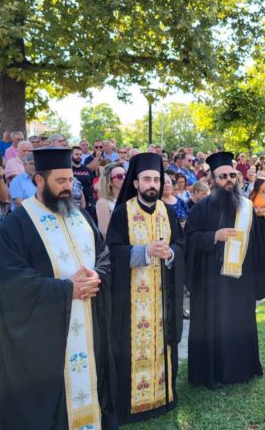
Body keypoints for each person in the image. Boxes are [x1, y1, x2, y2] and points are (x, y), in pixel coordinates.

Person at [0, 147, 118, 429]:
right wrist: (65, 290)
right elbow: (12, 281)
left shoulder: (81, 215)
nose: (68, 187)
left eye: (70, 180)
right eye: (60, 181)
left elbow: (103, 255)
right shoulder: (17, 224)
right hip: (47, 336)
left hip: (88, 323)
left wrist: (97, 276)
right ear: (39, 180)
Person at [106, 152, 186, 424]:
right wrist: (144, 252)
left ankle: (164, 398)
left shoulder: (168, 211)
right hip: (131, 302)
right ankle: (132, 406)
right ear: (136, 183)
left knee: (164, 346)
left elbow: (181, 245)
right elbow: (112, 253)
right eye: (147, 179)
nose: (152, 184)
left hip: (164, 299)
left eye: (156, 179)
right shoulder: (123, 212)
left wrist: (171, 253)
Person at [185, 151, 265, 389]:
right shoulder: (201, 208)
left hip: (241, 281)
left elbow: (257, 244)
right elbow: (189, 239)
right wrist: (214, 236)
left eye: (232, 175)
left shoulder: (246, 207)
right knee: (215, 325)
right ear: (212, 180)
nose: (229, 180)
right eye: (222, 176)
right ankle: (214, 372)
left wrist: (256, 278)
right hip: (211, 282)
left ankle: (242, 369)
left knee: (240, 322)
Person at [96, 162, 125, 238]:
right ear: (110, 182)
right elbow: (105, 232)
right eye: (119, 176)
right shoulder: (103, 203)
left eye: (126, 174)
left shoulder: (131, 200)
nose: (124, 178)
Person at [249, 177, 265, 252]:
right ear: (260, 184)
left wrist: (259, 211)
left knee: (264, 241)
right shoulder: (252, 193)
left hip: (264, 221)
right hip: (254, 220)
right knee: (256, 241)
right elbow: (250, 208)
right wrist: (263, 213)